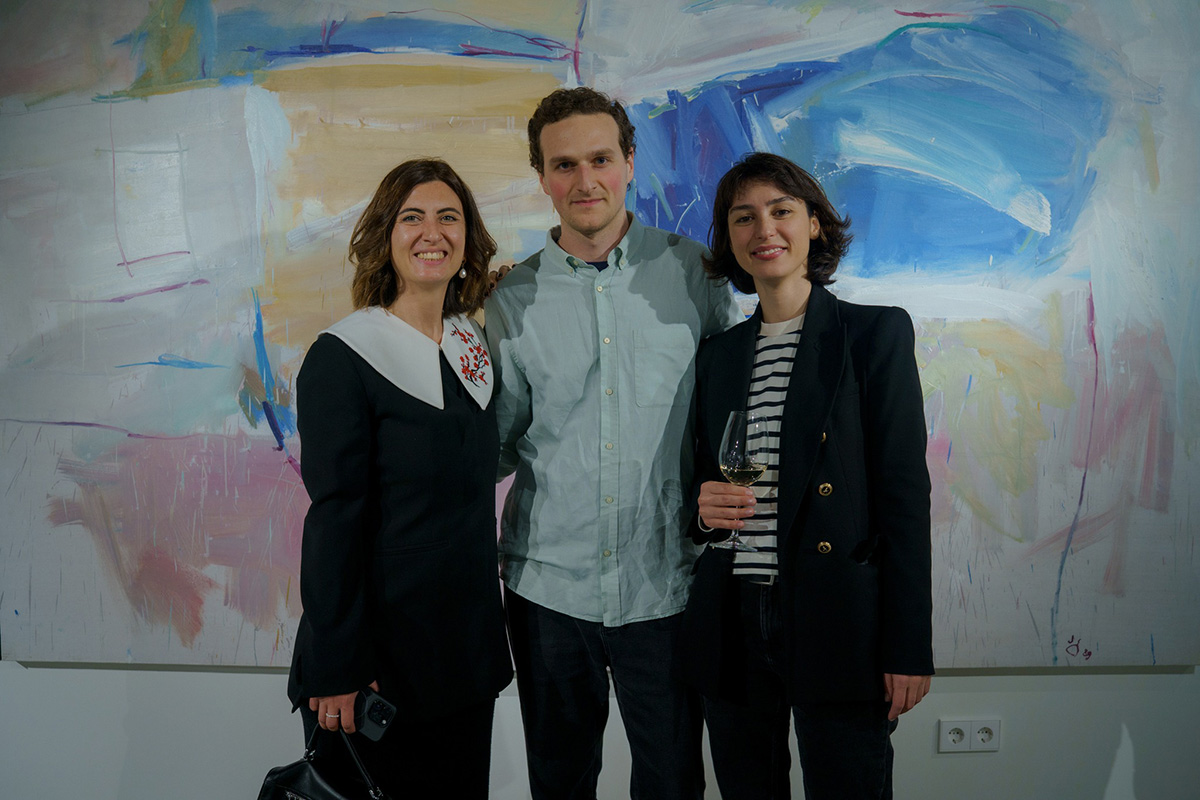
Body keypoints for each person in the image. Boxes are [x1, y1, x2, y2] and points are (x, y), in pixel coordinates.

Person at [484, 88, 742, 799]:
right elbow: (496, 445)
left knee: (673, 784)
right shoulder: (510, 300)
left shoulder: (697, 274)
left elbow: (730, 415)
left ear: (630, 162)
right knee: (560, 784)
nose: (585, 180)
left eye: (600, 159)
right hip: (547, 589)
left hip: (668, 584)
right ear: (542, 176)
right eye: (563, 165)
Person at [677, 151, 934, 799]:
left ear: (814, 224)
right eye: (744, 217)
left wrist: (907, 647)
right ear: (729, 237)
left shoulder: (872, 334)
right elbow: (702, 482)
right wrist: (703, 509)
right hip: (735, 617)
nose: (764, 229)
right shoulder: (717, 355)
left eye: (781, 210)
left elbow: (905, 499)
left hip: (837, 617)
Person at [287, 159, 513, 798]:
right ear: (385, 235)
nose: (431, 233)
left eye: (449, 217)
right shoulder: (343, 356)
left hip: (463, 658)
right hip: (375, 667)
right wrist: (338, 663)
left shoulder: (472, 347)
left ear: (468, 237)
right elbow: (334, 518)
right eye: (412, 218)